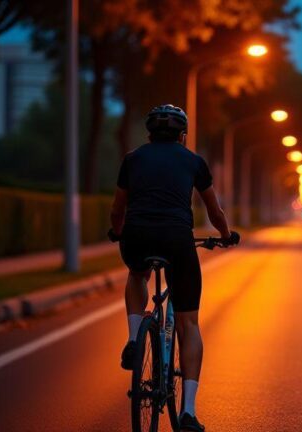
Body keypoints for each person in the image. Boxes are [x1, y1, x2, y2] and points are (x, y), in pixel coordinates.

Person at [109, 104, 239, 432]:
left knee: (137, 273)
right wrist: (226, 236)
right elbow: (214, 209)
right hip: (177, 240)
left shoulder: (132, 159)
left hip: (136, 235)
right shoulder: (193, 161)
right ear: (183, 135)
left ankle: (135, 337)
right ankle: (188, 413)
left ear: (149, 133)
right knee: (189, 322)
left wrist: (119, 231)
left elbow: (117, 209)